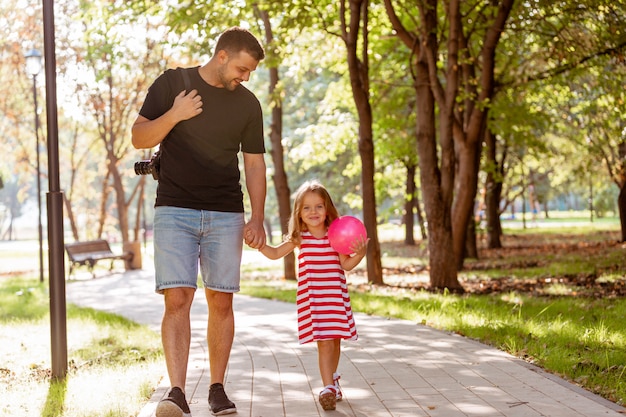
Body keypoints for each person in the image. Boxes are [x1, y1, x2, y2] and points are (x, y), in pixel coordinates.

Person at [131, 27, 267, 417]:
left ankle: (217, 389)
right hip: (174, 209)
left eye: (250, 72)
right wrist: (175, 114)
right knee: (178, 299)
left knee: (221, 300)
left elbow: (254, 163)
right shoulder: (173, 83)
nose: (245, 76)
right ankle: (175, 392)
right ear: (222, 55)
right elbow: (139, 136)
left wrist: (257, 217)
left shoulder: (248, 104)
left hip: (226, 212)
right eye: (242, 68)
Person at [252, 180, 368, 411]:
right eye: (306, 207)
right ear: (299, 213)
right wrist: (258, 245)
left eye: (318, 206)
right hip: (315, 300)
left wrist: (361, 253)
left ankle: (333, 380)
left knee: (334, 342)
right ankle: (327, 387)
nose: (313, 212)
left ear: (327, 209)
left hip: (334, 297)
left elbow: (346, 264)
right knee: (324, 343)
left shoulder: (336, 235)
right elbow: (275, 253)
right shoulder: (299, 238)